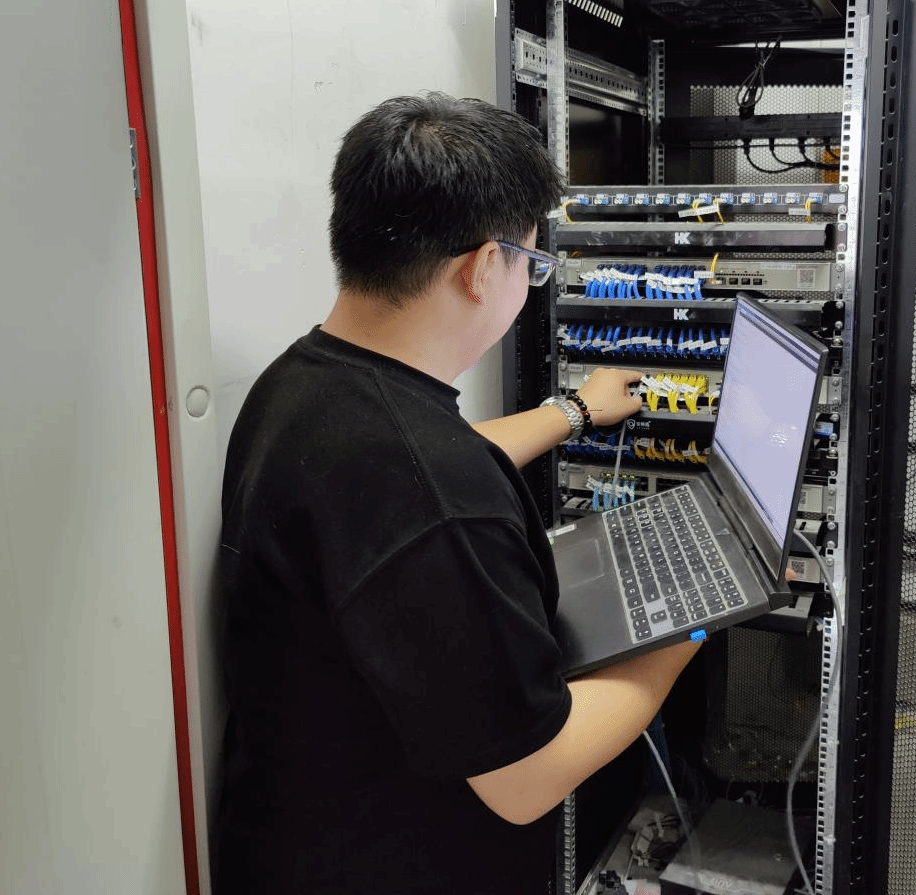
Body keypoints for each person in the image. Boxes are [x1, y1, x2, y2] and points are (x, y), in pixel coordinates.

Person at [212, 93, 702, 894]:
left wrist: (572, 412)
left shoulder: (304, 384)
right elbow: (528, 777)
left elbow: (420, 476)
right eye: (532, 264)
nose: (530, 284)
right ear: (481, 269)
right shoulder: (431, 492)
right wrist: (686, 628)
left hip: (297, 841)